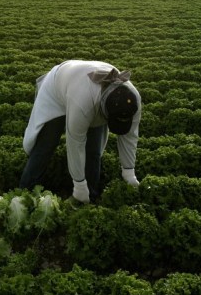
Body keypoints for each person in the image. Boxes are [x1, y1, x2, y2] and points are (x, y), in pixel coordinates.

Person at [19, 60, 142, 203]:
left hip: (85, 89)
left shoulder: (133, 100)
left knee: (93, 151)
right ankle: (26, 191)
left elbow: (130, 136)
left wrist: (129, 173)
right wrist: (79, 186)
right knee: (46, 143)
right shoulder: (82, 103)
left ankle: (91, 194)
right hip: (57, 90)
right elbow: (75, 144)